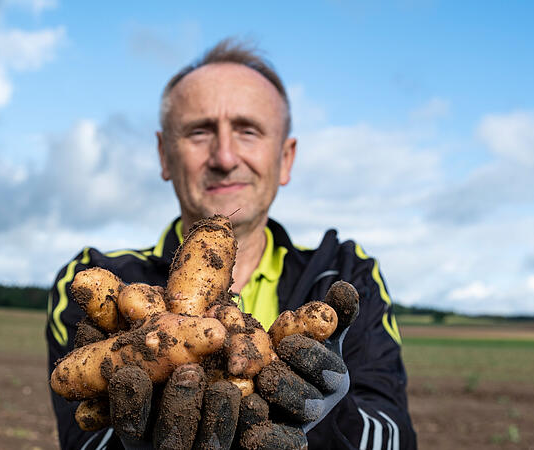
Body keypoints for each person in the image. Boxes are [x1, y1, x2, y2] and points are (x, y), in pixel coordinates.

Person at [46, 38, 417, 450]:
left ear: (286, 159)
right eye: (199, 131)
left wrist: (325, 421)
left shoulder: (347, 272)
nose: (224, 157)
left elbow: (395, 436)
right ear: (164, 155)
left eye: (248, 130)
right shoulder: (94, 279)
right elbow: (81, 433)